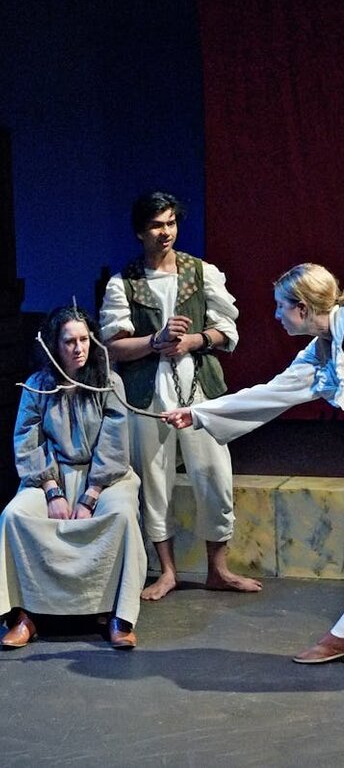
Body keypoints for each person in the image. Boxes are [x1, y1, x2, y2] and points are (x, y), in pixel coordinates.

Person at [164, 261, 344, 663]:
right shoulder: (322, 354)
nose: (275, 315)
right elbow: (271, 394)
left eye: (280, 306)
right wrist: (199, 414)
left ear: (303, 309)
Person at [100, 190, 262, 600]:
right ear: (140, 231)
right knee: (155, 481)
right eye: (157, 225)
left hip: (198, 390)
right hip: (146, 394)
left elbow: (228, 333)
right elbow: (114, 346)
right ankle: (167, 571)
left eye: (171, 222)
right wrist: (154, 341)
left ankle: (218, 569)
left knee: (214, 475)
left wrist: (193, 340)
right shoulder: (125, 282)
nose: (166, 232)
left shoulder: (202, 272)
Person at [0, 305, 147, 650]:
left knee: (121, 516)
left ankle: (119, 616)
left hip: (106, 478)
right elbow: (27, 439)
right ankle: (22, 616)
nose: (79, 348)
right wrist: (53, 491)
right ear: (55, 344)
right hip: (51, 477)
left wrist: (90, 495)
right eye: (70, 342)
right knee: (13, 516)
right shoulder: (38, 385)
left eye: (84, 340)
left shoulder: (109, 382)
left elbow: (114, 444)